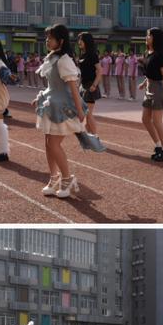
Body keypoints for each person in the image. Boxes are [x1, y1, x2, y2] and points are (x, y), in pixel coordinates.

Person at [34, 24, 88, 199]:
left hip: (63, 108)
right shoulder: (50, 58)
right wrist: (40, 97)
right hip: (51, 105)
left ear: (61, 41)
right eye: (47, 37)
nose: (47, 41)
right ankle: (54, 178)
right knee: (48, 143)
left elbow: (73, 88)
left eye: (51, 38)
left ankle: (67, 178)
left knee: (54, 144)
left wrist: (80, 111)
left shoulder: (64, 60)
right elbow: (52, 85)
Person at [140, 28, 163, 162]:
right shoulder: (147, 53)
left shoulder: (160, 55)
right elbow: (149, 73)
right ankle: (158, 145)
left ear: (155, 38)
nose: (146, 37)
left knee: (157, 120)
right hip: (149, 87)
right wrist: (143, 83)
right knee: (145, 119)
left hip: (158, 88)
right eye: (147, 35)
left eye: (149, 35)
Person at [77, 32, 102, 136]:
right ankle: (90, 136)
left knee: (88, 113)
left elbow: (99, 71)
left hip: (91, 85)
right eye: (78, 40)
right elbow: (81, 73)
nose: (79, 42)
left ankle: (94, 136)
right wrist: (78, 85)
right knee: (84, 114)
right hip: (83, 86)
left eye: (81, 40)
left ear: (86, 41)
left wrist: (94, 85)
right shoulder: (82, 54)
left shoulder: (93, 54)